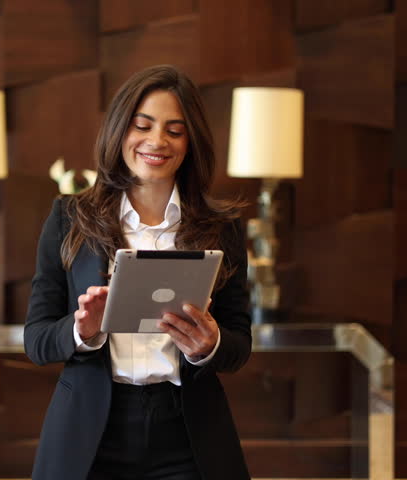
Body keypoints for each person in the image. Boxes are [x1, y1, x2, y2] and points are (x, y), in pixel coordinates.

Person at [24, 64, 252, 480]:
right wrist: (83, 331)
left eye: (174, 130)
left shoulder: (223, 228)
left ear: (190, 142)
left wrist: (210, 342)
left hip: (187, 430)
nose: (156, 141)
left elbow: (240, 345)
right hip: (91, 431)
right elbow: (36, 340)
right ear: (119, 131)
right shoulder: (69, 219)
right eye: (142, 125)